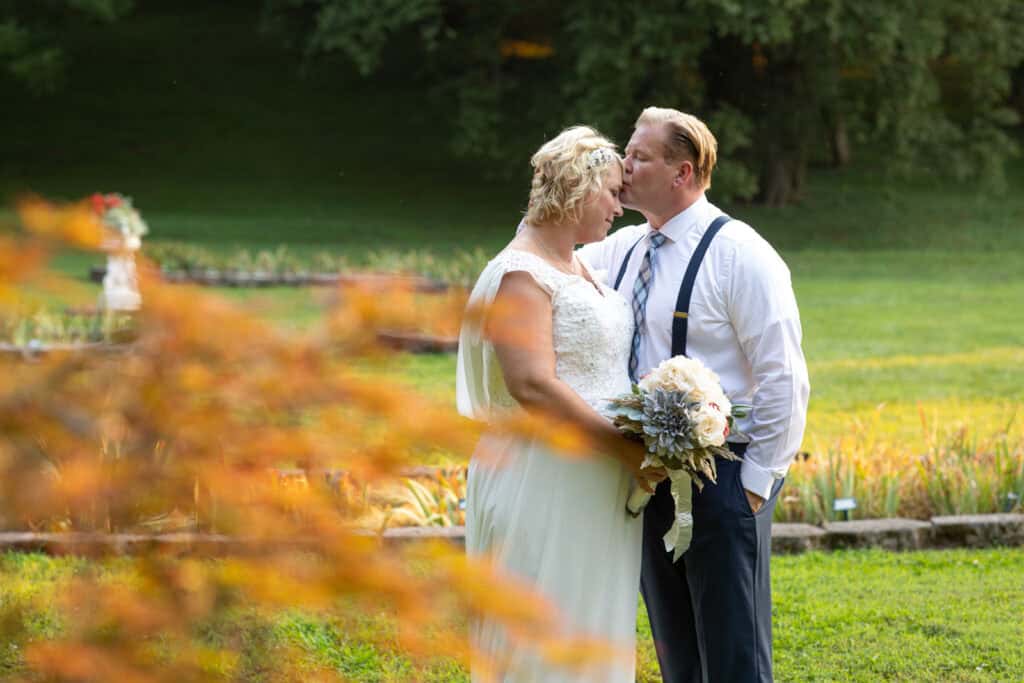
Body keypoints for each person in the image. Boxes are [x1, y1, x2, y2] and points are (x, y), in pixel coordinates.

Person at [578, 107, 811, 682]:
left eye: (639, 156)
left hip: (724, 479)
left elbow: (784, 375)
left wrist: (753, 488)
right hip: (646, 476)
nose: (623, 165)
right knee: (676, 652)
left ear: (682, 173)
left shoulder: (742, 255)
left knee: (734, 659)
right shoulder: (624, 249)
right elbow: (547, 257)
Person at [456, 125, 662, 682]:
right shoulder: (522, 273)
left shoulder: (579, 263)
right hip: (545, 474)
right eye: (613, 192)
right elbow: (532, 385)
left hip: (594, 477)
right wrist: (624, 450)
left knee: (588, 623)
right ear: (578, 186)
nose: (620, 207)